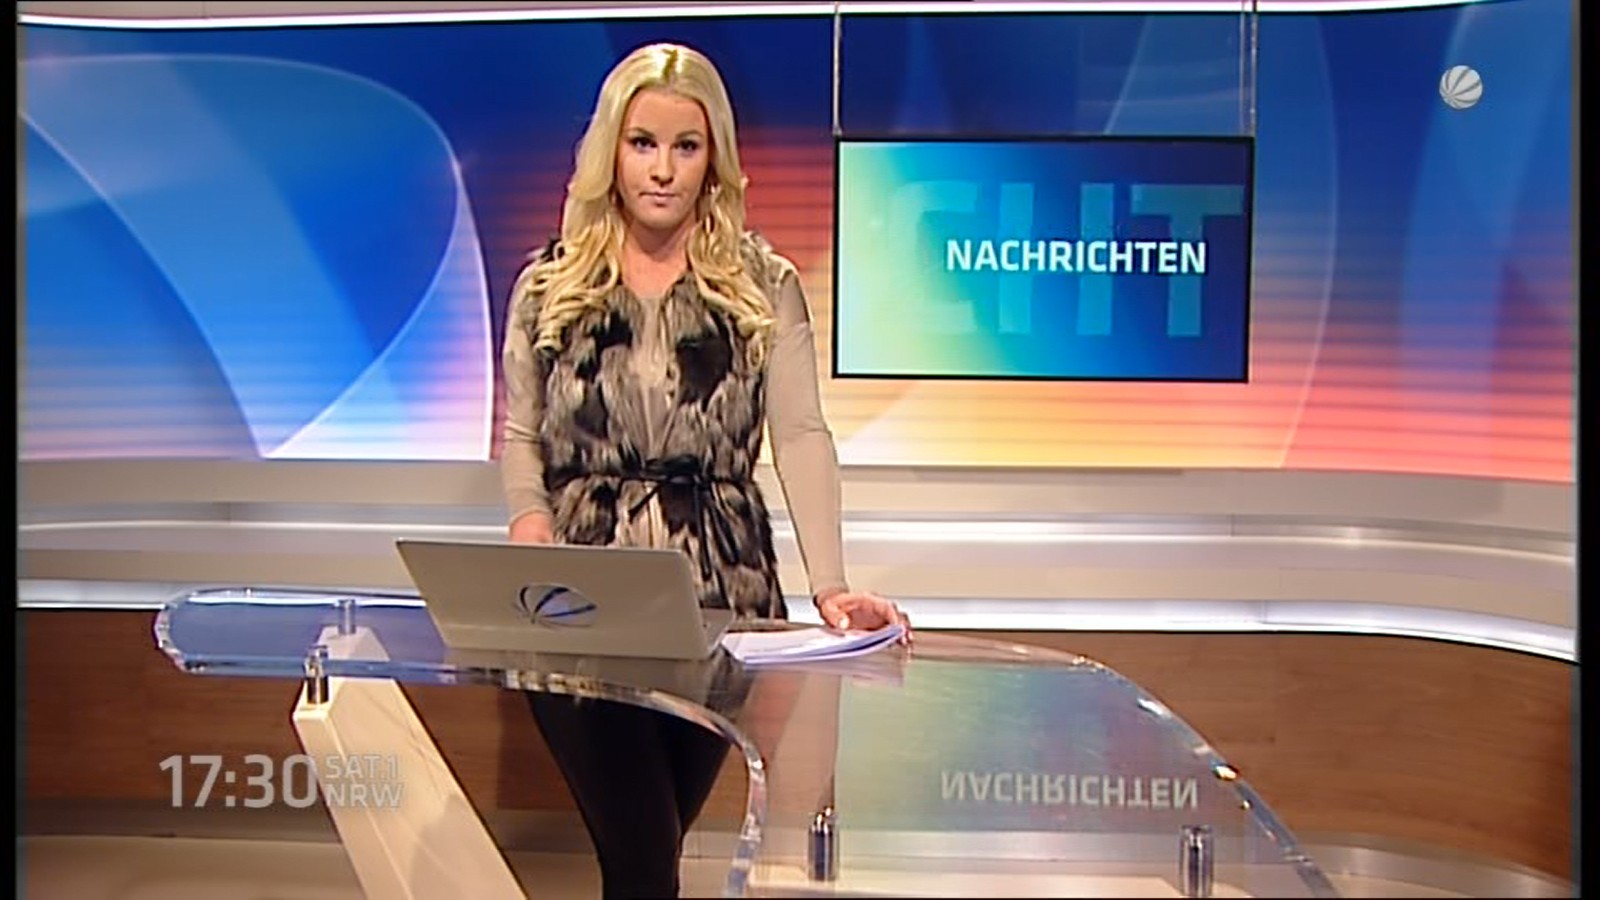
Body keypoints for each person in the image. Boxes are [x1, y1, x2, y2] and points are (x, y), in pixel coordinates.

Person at [498, 42, 910, 899]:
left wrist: (831, 586)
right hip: (580, 603)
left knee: (648, 860)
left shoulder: (761, 285)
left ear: (714, 157)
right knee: (642, 862)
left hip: (720, 604)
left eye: (686, 147)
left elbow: (801, 433)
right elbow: (522, 432)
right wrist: (531, 530)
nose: (662, 170)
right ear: (610, 151)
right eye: (642, 144)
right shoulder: (549, 285)